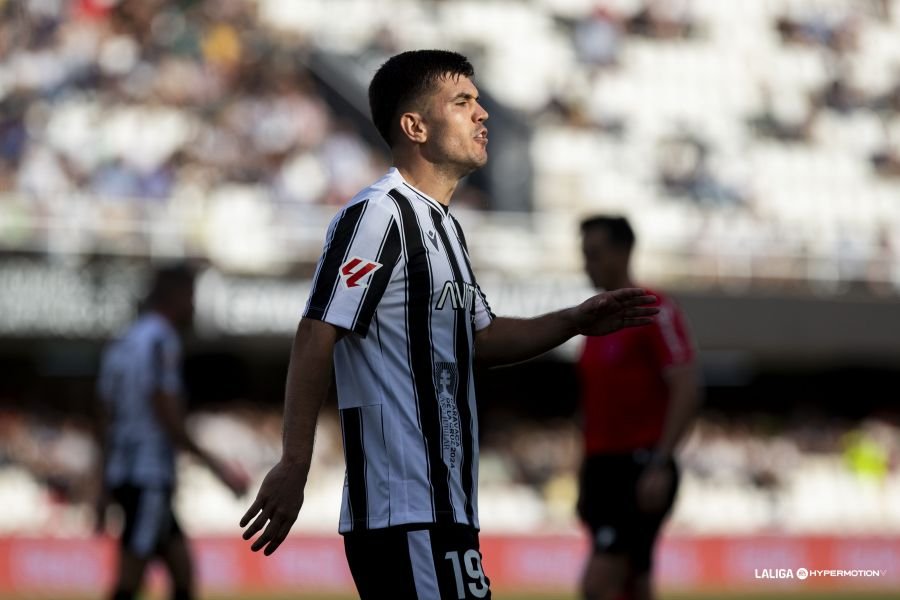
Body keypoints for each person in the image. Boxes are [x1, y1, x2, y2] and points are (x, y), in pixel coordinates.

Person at [239, 50, 659, 600]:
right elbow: (317, 331)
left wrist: (575, 319)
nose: (482, 113)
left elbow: (481, 339)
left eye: (478, 101)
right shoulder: (378, 215)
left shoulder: (447, 230)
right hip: (403, 512)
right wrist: (295, 462)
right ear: (414, 126)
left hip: (445, 509)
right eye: (462, 102)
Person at [93, 264, 247, 600]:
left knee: (182, 572)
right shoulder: (162, 340)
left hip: (126, 472)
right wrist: (220, 470)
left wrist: (103, 484)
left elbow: (105, 416)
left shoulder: (122, 341)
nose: (193, 306)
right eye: (191, 296)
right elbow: (167, 415)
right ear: (175, 295)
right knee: (130, 579)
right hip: (148, 474)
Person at [576, 216, 702, 600]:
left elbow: (686, 385)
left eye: (594, 254)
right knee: (635, 581)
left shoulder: (653, 309)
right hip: (602, 466)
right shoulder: (596, 321)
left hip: (638, 465)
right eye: (584, 255)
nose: (587, 264)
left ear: (623, 251)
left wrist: (660, 461)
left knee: (599, 584)